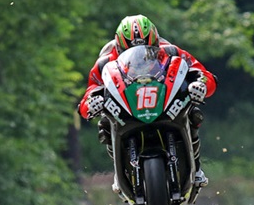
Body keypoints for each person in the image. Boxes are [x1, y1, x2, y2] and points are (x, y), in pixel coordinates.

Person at [78, 14, 217, 189]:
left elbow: (203, 73)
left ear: (156, 42)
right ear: (119, 46)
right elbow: (89, 93)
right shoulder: (104, 62)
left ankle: (196, 167)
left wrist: (200, 85)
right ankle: (120, 169)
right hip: (127, 104)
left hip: (162, 98)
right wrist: (91, 104)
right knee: (105, 124)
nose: (140, 56)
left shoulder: (171, 51)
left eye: (148, 48)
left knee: (193, 112)